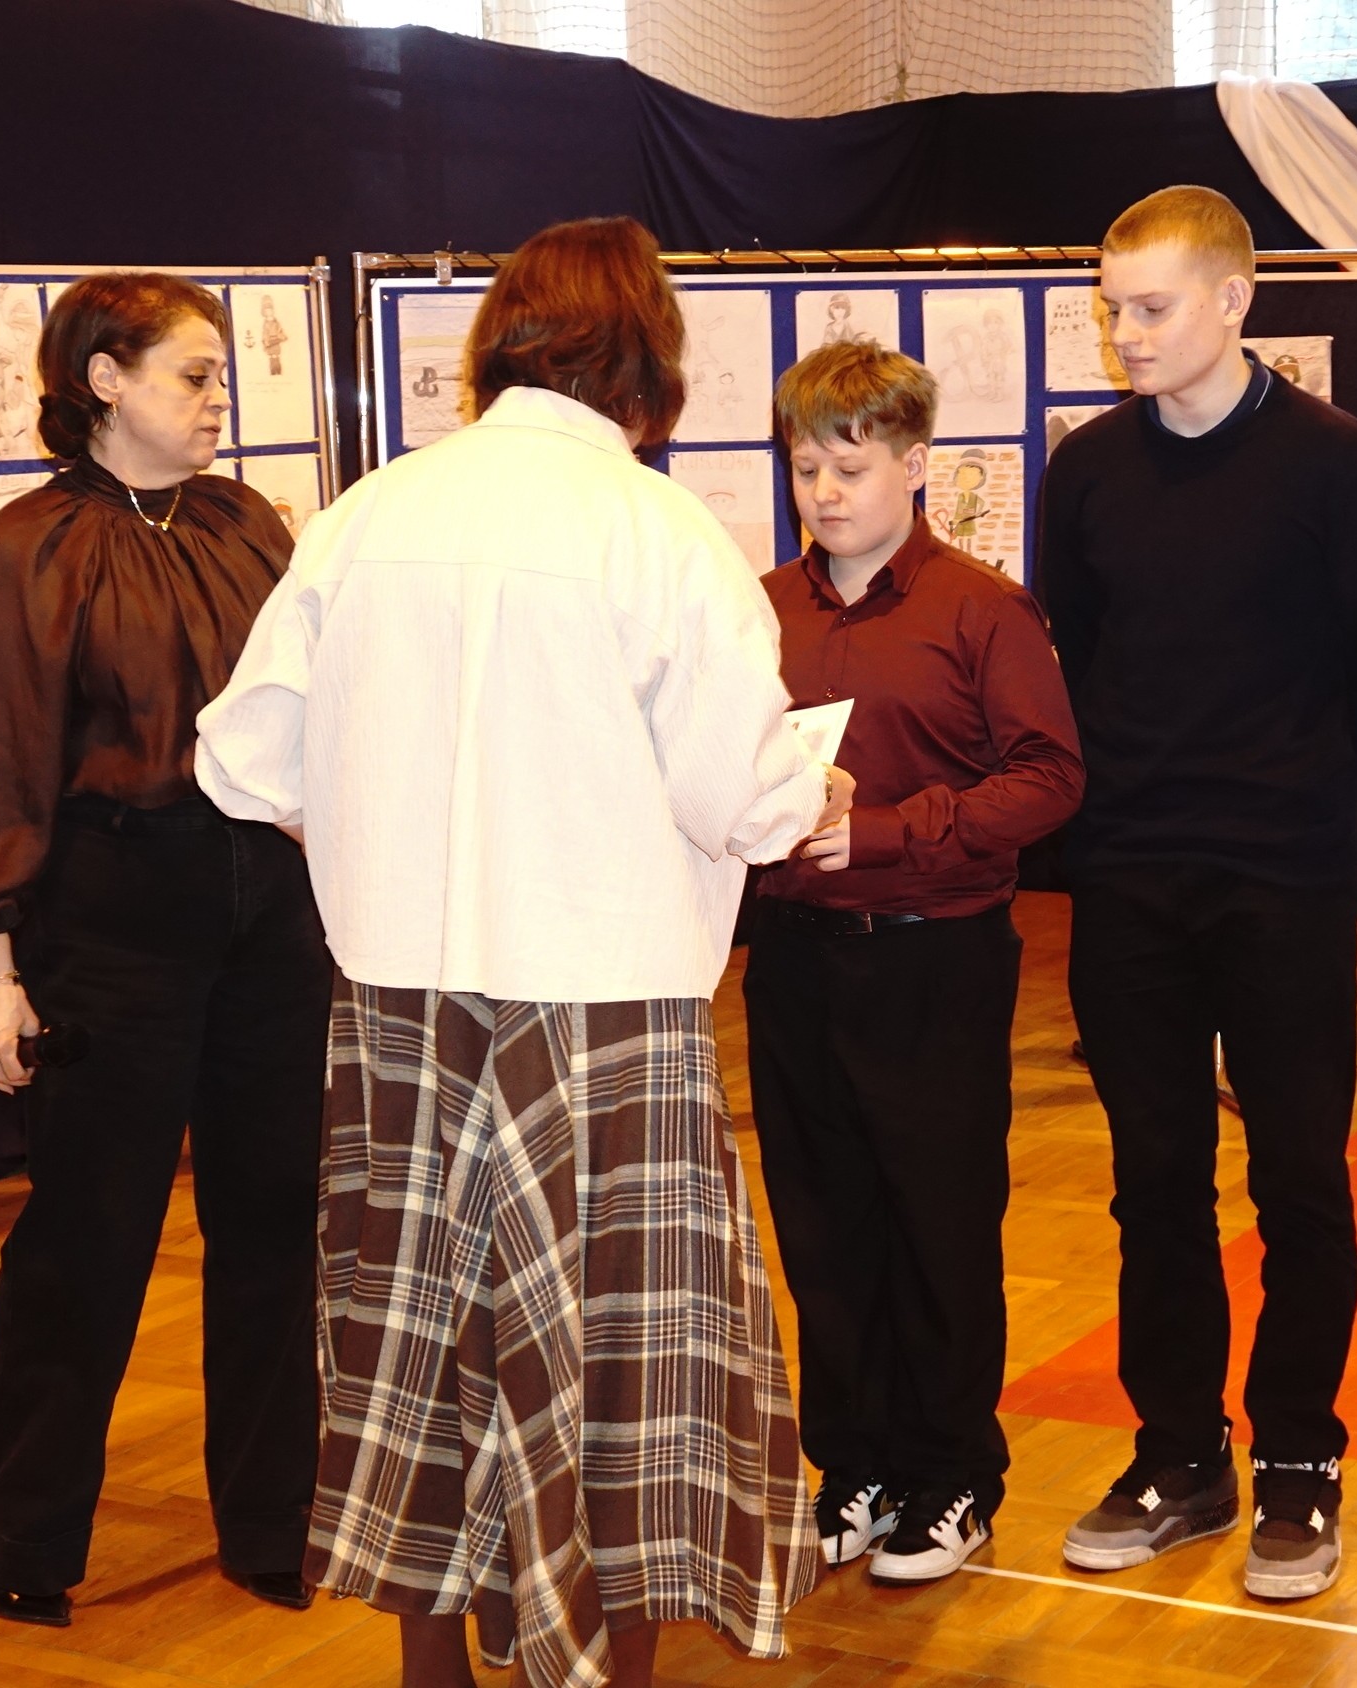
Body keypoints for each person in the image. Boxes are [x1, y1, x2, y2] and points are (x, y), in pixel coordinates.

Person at [196, 216, 849, 1688]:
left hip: (401, 1006)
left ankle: (434, 1671)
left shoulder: (368, 513)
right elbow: (744, 798)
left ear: (498, 344)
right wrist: (817, 788)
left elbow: (242, 761)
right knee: (616, 1372)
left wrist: (372, 827)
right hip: (606, 1009)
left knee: (417, 1354)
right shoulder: (658, 532)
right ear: (649, 361)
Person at [0, 271, 330, 1630]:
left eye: (220, 377)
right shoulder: (34, 545)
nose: (218, 401)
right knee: (88, 1232)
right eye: (195, 375)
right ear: (104, 381)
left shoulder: (247, 524)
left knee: (279, 1220)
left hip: (274, 912)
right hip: (115, 923)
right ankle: (21, 1532)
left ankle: (276, 1517)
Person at [1034, 185, 1357, 1601]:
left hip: (1285, 878)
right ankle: (1181, 1454)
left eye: (1151, 306)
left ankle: (1301, 1458)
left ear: (1236, 300)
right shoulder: (1087, 470)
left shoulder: (1335, 460)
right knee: (1155, 1185)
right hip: (1129, 878)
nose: (1124, 333)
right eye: (1111, 308)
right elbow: (1078, 658)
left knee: (1300, 1178)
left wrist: (1325, 829)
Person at [745, 340, 1083, 1586]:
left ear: (916, 462)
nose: (826, 492)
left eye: (852, 466)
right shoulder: (760, 611)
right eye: (806, 468)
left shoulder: (981, 608)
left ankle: (953, 1476)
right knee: (823, 1225)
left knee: (938, 1223)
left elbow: (1050, 776)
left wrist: (889, 830)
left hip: (934, 958)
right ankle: (857, 1468)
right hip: (794, 961)